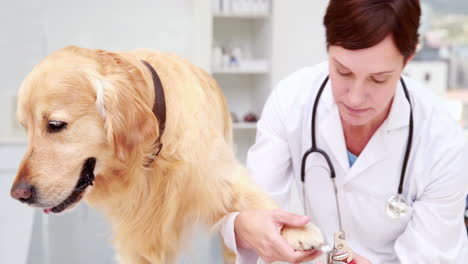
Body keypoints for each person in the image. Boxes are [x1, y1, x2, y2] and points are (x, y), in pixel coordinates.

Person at [219, 0, 468, 263]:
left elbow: (432, 256)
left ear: (407, 60)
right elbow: (254, 206)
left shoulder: (442, 139)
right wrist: (243, 224)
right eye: (343, 71)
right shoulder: (292, 100)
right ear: (328, 49)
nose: (356, 98)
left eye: (378, 79)